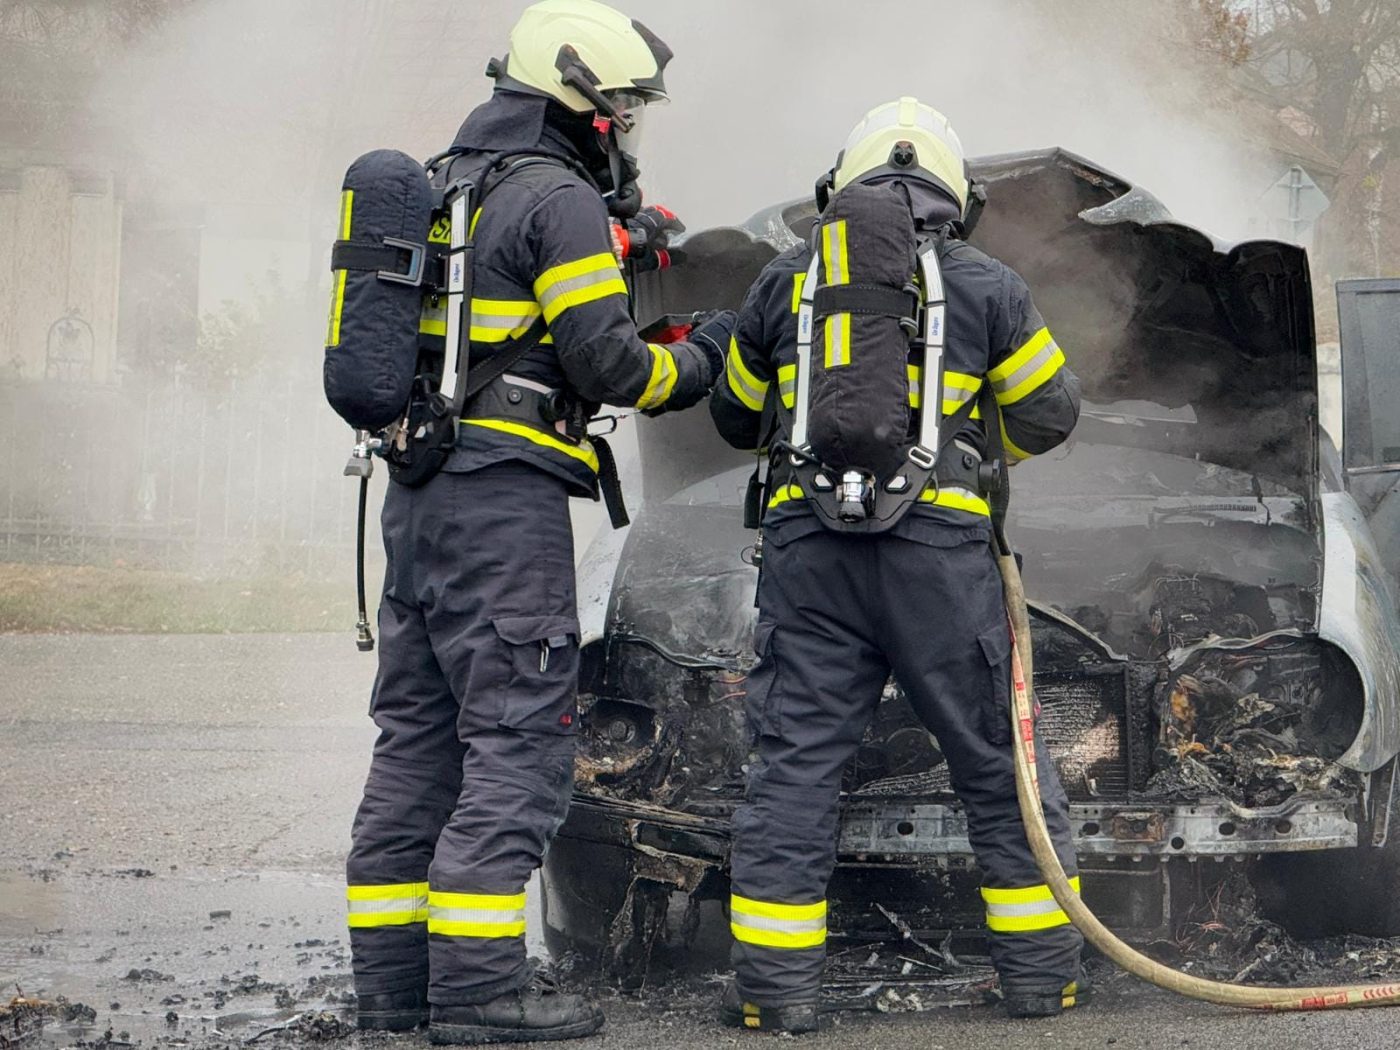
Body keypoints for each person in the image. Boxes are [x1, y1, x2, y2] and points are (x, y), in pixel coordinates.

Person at [344, 1, 732, 1043]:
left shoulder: (449, 183)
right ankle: (479, 997)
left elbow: (499, 310)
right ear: (585, 106)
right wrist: (700, 357)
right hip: (501, 507)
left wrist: (624, 246)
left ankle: (392, 989)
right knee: (516, 742)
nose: (628, 133)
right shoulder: (555, 196)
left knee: (416, 747)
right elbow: (611, 367)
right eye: (625, 113)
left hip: (418, 498)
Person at [709, 97, 1084, 1033]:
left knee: (793, 772)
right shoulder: (988, 285)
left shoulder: (784, 281)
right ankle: (1042, 981)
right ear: (959, 197)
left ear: (839, 189)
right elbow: (1051, 412)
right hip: (942, 567)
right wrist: (964, 454)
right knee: (999, 765)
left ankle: (776, 995)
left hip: (808, 562)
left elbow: (733, 415)